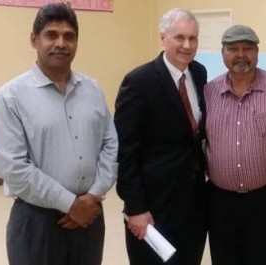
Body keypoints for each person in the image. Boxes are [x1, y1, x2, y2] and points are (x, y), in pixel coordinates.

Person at [0, 3, 118, 265]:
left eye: (69, 36)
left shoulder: (92, 89)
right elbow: (14, 168)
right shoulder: (11, 96)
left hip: (90, 217)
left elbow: (110, 144)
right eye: (51, 35)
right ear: (34, 39)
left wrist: (93, 196)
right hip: (37, 222)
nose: (61, 43)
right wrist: (70, 204)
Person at [204, 24, 266, 265]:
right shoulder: (209, 92)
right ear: (222, 53)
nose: (240, 54)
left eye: (247, 48)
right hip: (221, 203)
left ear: (257, 52)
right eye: (233, 48)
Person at [114, 8, 207, 265]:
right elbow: (125, 152)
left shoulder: (199, 74)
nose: (187, 45)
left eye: (193, 38)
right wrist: (135, 208)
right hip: (152, 210)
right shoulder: (138, 82)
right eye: (179, 37)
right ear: (163, 38)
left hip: (193, 207)